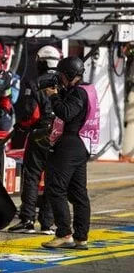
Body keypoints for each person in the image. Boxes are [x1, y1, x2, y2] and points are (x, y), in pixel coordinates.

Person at [42, 56, 96, 250]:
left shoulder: (77, 94)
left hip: (70, 144)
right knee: (78, 192)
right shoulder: (88, 90)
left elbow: (66, 113)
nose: (60, 78)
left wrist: (53, 96)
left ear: (71, 75)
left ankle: (64, 233)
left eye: (62, 75)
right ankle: (81, 237)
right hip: (83, 143)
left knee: (55, 188)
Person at [8, 45, 61, 234]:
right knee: (53, 177)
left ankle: (27, 219)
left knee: (32, 175)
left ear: (42, 62)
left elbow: (32, 114)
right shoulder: (64, 82)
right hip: (61, 135)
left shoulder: (35, 83)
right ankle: (47, 223)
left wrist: (21, 126)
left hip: (41, 133)